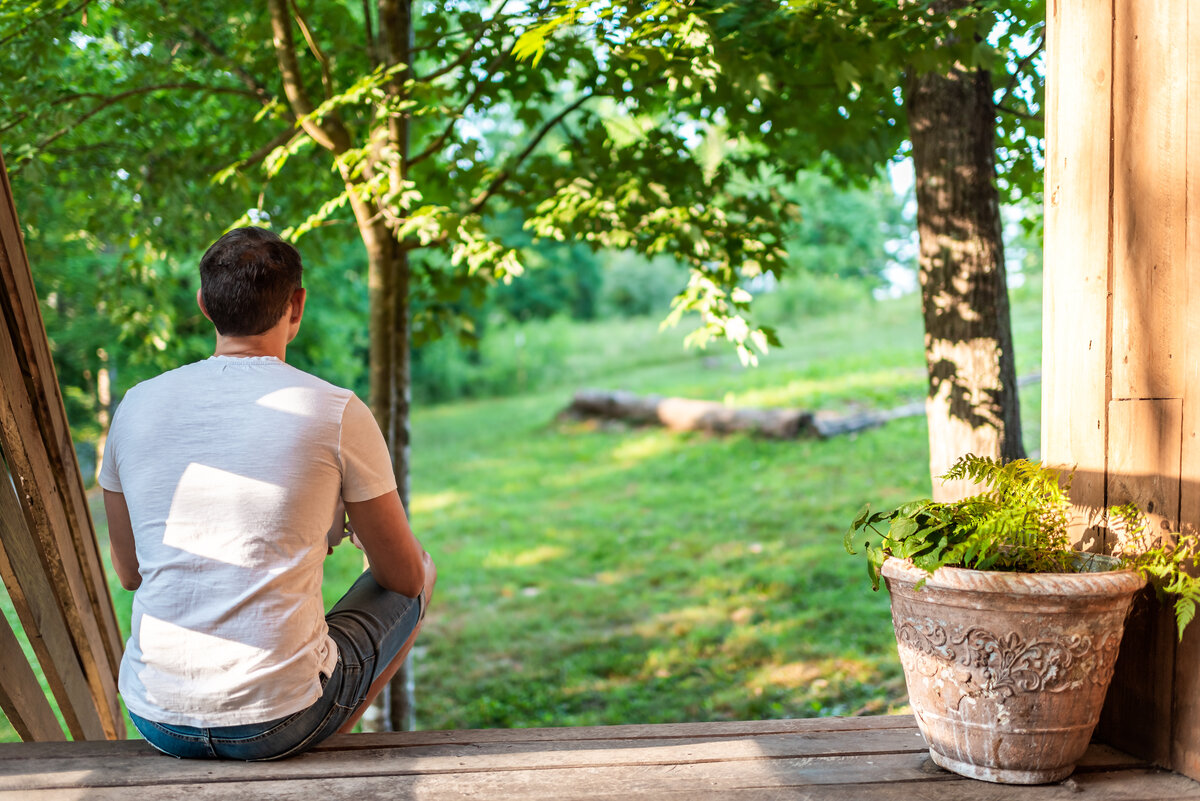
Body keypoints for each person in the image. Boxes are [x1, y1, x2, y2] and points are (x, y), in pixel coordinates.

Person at [100, 226, 435, 760]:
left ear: (204, 304)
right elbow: (403, 578)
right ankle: (318, 735)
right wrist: (337, 527)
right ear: (296, 304)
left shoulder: (136, 405)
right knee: (423, 567)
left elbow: (130, 572)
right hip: (278, 721)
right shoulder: (336, 410)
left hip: (157, 717)